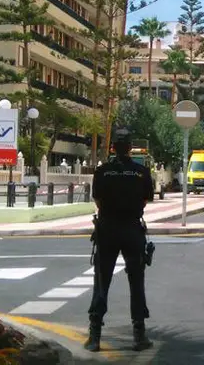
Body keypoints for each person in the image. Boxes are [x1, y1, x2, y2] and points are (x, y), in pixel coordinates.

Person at [85, 129, 153, 353]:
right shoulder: (141, 172)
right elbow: (146, 199)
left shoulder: (102, 172)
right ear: (130, 147)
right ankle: (139, 335)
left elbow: (97, 199)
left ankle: (94, 336)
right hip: (132, 230)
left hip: (107, 229)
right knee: (136, 282)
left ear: (113, 148)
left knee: (102, 281)